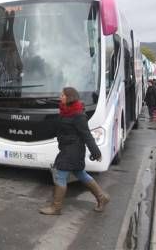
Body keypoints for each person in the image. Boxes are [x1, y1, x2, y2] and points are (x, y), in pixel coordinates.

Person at [40, 87, 109, 215]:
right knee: (80, 174)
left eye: (63, 95)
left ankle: (56, 207)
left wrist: (96, 152)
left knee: (60, 174)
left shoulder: (78, 115)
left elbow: (86, 135)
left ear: (69, 97)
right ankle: (102, 198)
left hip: (73, 150)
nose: (60, 97)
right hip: (67, 148)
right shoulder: (65, 111)